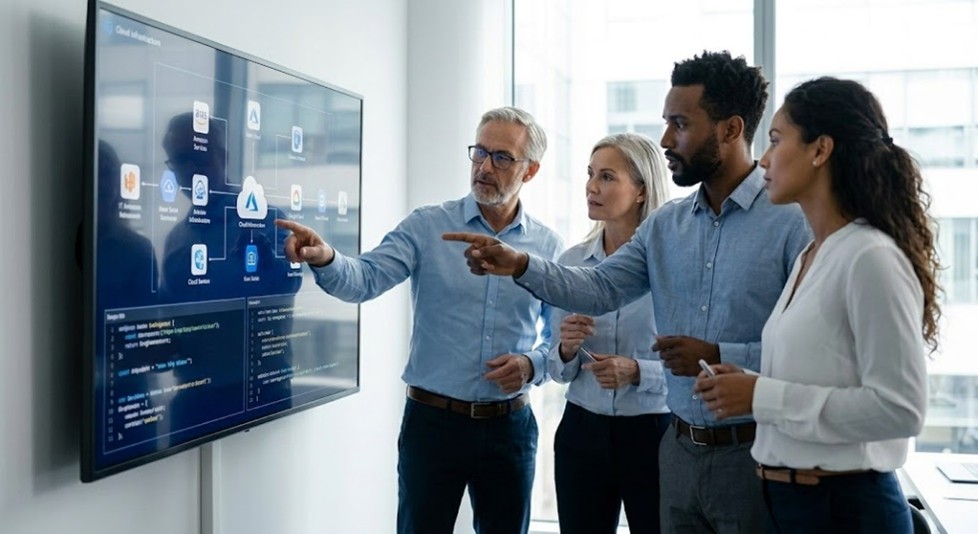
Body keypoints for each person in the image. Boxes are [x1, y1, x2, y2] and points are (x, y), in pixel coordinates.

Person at [443, 51, 812, 532]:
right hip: (678, 451)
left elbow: (811, 354)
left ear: (730, 129)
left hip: (754, 455)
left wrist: (718, 355)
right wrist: (520, 264)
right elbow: (599, 286)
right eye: (666, 123)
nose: (666, 140)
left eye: (680, 124)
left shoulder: (791, 222)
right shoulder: (666, 226)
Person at [275, 107, 563, 534]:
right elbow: (365, 279)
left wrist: (531, 364)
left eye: (502, 157)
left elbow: (560, 342)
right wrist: (326, 257)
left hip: (510, 428)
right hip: (433, 426)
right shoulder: (428, 226)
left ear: (531, 170)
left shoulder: (548, 247)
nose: (484, 167)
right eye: (479, 152)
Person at [693, 77, 940, 533]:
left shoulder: (869, 257)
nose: (764, 159)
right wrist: (750, 384)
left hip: (844, 508)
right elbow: (825, 374)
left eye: (775, 140)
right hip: (792, 503)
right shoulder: (814, 253)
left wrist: (761, 396)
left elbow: (901, 408)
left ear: (820, 149)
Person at [548, 133, 670, 534]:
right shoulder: (571, 263)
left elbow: (692, 364)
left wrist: (637, 372)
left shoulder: (670, 268)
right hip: (581, 432)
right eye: (590, 174)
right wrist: (566, 349)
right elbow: (557, 370)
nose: (590, 187)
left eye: (606, 177)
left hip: (652, 434)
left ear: (641, 191)